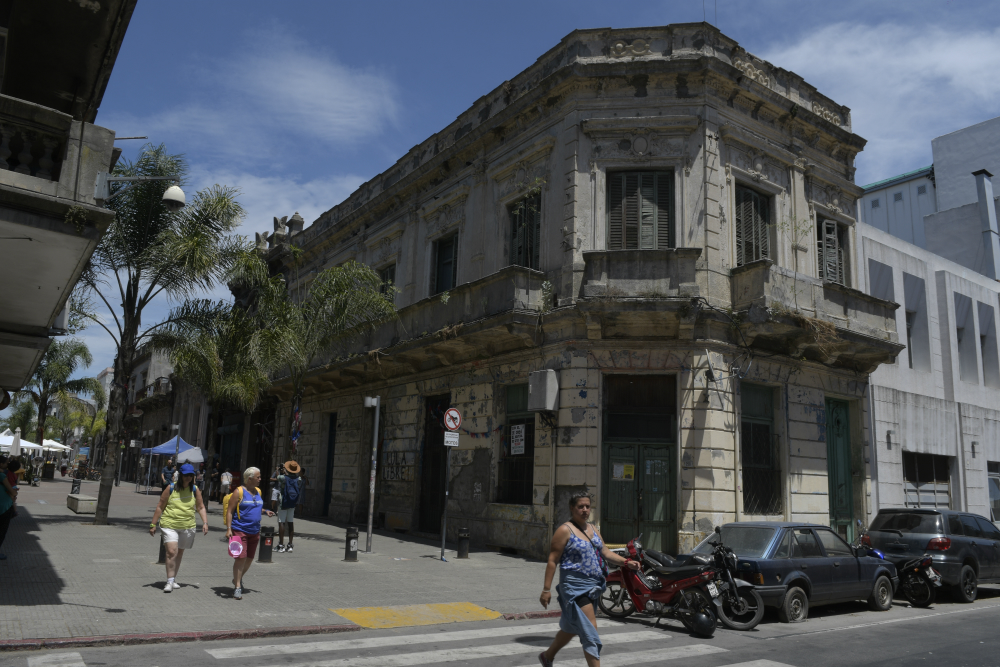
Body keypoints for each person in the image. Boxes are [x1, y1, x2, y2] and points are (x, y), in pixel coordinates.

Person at [537, 492, 639, 667]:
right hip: (575, 588)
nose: (585, 510)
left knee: (570, 628)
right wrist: (546, 590)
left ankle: (547, 656)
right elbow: (553, 560)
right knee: (590, 631)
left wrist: (626, 562)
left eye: (587, 506)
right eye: (580, 506)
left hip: (593, 587)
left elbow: (605, 552)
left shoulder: (592, 528)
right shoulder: (564, 530)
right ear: (572, 508)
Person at [149, 463, 209, 593]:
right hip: (169, 524)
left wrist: (205, 522)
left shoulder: (195, 489)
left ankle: (173, 578)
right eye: (186, 475)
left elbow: (201, 507)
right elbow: (160, 506)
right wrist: (153, 524)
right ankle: (169, 581)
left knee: (180, 552)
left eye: (190, 475)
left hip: (187, 525)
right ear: (180, 476)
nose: (188, 478)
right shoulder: (170, 488)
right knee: (172, 551)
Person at [225, 466, 274, 600]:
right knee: (241, 558)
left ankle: (237, 579)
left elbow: (254, 505)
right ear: (250, 479)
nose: (260, 479)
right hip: (239, 530)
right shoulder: (238, 492)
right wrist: (229, 528)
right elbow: (230, 511)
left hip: (254, 531)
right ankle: (237, 587)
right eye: (258, 477)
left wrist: (265, 511)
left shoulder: (258, 491)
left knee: (249, 559)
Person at [275, 461, 302, 553]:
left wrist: (277, 470)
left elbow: (278, 477)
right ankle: (290, 545)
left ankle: (281, 545)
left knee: (281, 522)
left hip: (284, 502)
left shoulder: (284, 478)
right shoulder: (299, 478)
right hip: (292, 502)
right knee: (290, 522)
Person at [0, 457, 16, 560]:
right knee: (2, 531)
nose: (7, 465)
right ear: (0, 464)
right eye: (6, 463)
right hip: (4, 507)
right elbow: (12, 491)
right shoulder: (2, 476)